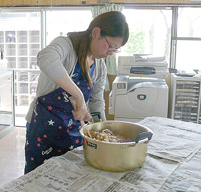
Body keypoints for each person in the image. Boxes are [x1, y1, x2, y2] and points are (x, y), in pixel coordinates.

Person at [24, 11, 129, 174]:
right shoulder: (66, 45)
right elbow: (45, 58)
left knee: (69, 176)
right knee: (39, 176)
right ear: (96, 33)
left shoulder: (100, 67)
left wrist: (102, 130)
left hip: (73, 132)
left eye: (115, 50)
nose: (110, 52)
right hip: (43, 130)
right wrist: (78, 95)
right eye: (110, 45)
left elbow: (96, 102)